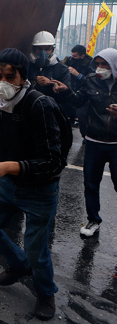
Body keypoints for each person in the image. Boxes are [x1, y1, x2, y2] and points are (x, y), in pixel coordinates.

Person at [0, 48, 65, 321]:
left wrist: (8, 166)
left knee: (37, 249)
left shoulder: (40, 105)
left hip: (39, 188)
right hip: (6, 183)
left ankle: (46, 293)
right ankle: (19, 263)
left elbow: (54, 162)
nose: (2, 83)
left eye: (9, 77)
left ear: (24, 78)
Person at [54, 48, 117, 239]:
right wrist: (65, 92)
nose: (100, 68)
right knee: (90, 184)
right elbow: (78, 101)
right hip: (93, 142)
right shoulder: (91, 80)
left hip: (116, 144)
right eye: (97, 64)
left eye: (104, 64)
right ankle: (93, 219)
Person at [27, 31, 71, 117]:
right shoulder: (27, 67)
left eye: (47, 49)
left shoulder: (62, 70)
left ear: (52, 50)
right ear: (34, 49)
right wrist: (34, 80)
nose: (43, 53)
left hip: (53, 114)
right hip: (31, 113)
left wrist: (52, 84)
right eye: (39, 49)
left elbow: (67, 98)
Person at [62, 44, 93, 131]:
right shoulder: (69, 60)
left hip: (83, 93)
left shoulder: (90, 64)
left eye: (75, 56)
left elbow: (90, 81)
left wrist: (77, 75)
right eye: (72, 55)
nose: (72, 57)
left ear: (82, 56)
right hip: (70, 90)